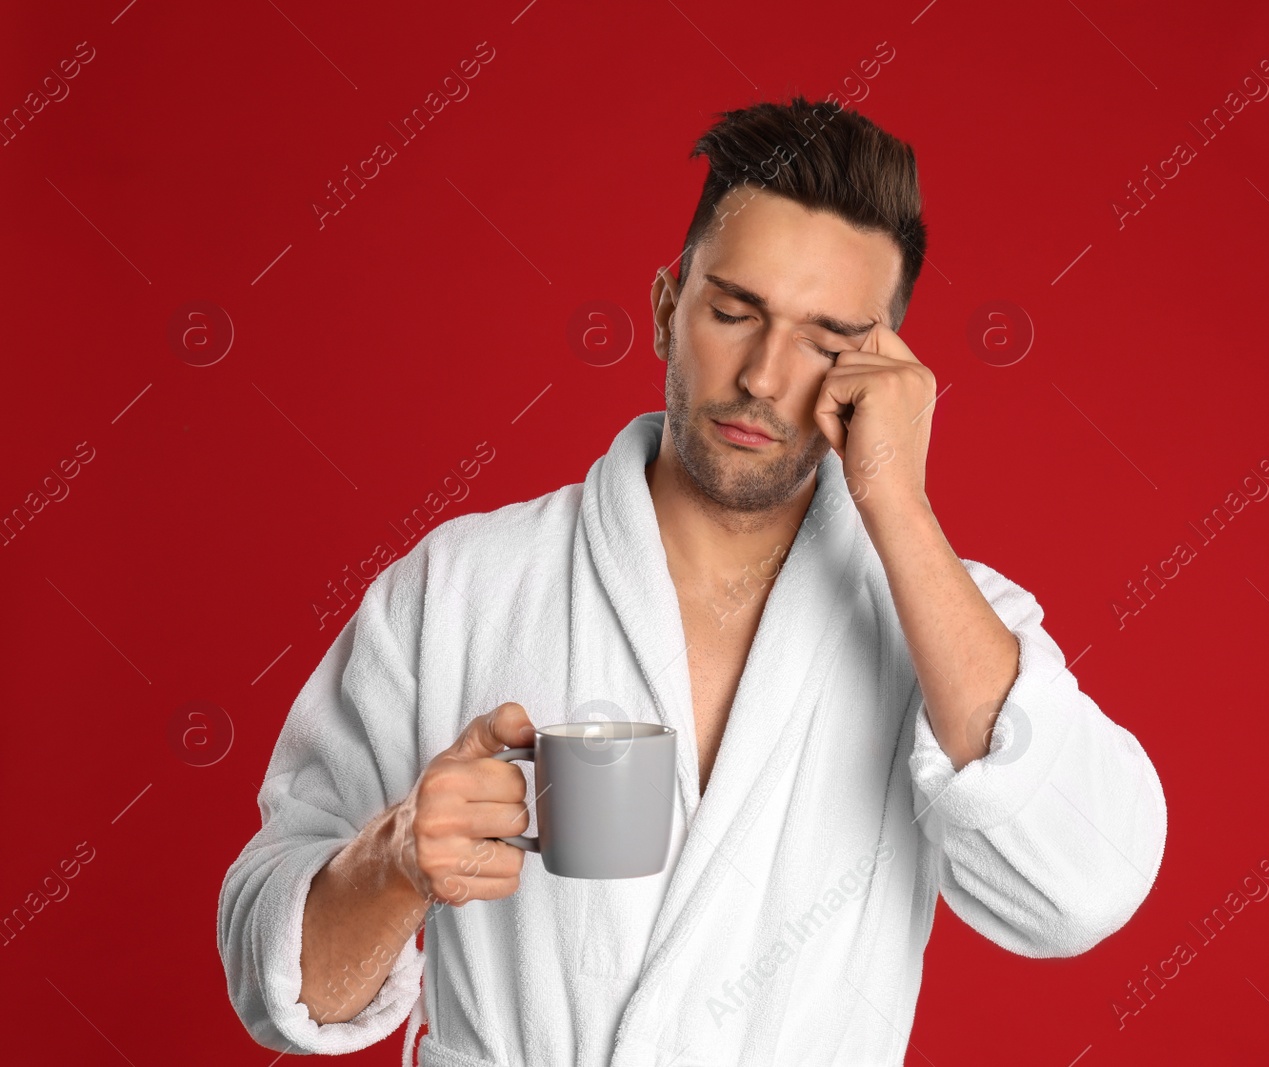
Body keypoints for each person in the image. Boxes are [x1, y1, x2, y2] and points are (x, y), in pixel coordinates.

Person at [218, 96, 1167, 1067]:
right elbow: (276, 980)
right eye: (733, 311)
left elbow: (1081, 885)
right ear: (669, 308)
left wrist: (899, 509)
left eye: (824, 339)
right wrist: (396, 859)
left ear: (886, 372)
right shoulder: (461, 587)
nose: (761, 374)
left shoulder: (946, 627)